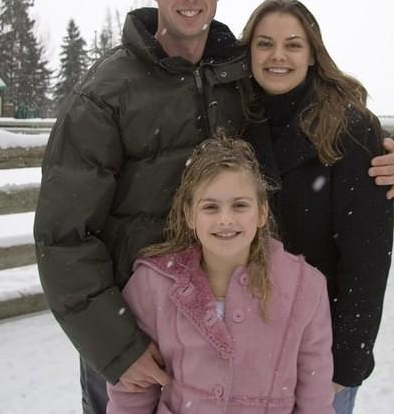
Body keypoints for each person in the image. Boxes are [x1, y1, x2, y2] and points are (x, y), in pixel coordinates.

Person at [33, 0, 394, 414]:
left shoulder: (234, 77)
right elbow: (62, 236)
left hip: (234, 325)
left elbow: (314, 120)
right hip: (136, 326)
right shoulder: (106, 95)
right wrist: (114, 345)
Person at [241, 0, 394, 413]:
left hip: (319, 348)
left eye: (293, 44)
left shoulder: (348, 128)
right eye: (265, 43)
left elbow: (366, 258)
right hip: (245, 345)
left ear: (313, 53)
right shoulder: (234, 118)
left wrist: (347, 363)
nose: (278, 56)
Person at [106, 134, 335, 413]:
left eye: (240, 205)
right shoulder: (152, 284)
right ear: (190, 215)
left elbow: (315, 395)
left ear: (262, 213)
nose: (225, 219)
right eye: (211, 207)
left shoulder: (305, 287)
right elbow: (133, 393)